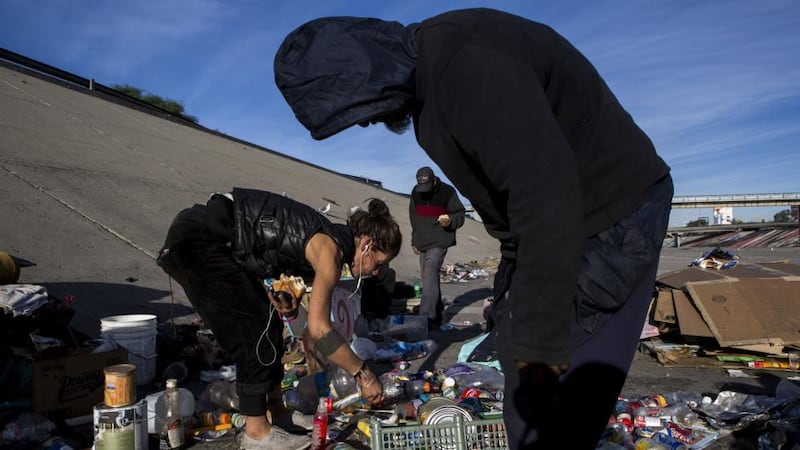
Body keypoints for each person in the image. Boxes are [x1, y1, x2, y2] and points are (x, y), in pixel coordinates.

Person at [274, 8, 673, 449]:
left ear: (366, 70)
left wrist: (541, 342)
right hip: (550, 227)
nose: (367, 121)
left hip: (610, 217)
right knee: (520, 366)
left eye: (360, 110)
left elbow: (544, 192)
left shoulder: (464, 66)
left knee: (561, 394)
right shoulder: (433, 82)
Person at [157, 188, 401, 450]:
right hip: (199, 241)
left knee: (270, 323)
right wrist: (363, 375)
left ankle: (277, 412)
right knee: (252, 329)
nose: (377, 272)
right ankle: (257, 433)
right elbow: (320, 329)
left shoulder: (327, 241)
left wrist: (285, 299)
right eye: (379, 262)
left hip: (211, 241)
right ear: (366, 245)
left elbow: (268, 256)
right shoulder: (330, 249)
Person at [409, 166, 465, 329]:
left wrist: (450, 221)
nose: (424, 191)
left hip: (440, 240)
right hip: (422, 241)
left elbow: (460, 214)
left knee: (429, 276)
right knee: (430, 279)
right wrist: (414, 240)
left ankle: (426, 318)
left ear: (434, 181)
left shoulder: (447, 192)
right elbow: (414, 217)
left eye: (427, 187)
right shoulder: (416, 191)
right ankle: (439, 314)